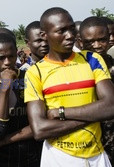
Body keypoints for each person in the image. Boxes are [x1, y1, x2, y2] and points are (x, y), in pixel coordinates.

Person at [25, 7, 114, 167]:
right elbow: (40, 130)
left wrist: (61, 113)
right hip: (59, 157)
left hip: (97, 156)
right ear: (44, 35)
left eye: (72, 29)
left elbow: (111, 106)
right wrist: (94, 116)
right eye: (62, 31)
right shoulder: (35, 72)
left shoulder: (92, 60)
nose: (70, 35)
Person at [0, 33, 42, 167]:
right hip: (1, 158)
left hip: (32, 155)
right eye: (1, 58)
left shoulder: (31, 77)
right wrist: (5, 88)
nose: (7, 62)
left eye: (11, 56)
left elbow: (39, 125)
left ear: (16, 53)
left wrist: (5, 140)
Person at [79, 16, 114, 165]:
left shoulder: (112, 65)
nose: (97, 45)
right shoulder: (76, 69)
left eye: (102, 39)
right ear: (80, 43)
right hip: (89, 143)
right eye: (90, 42)